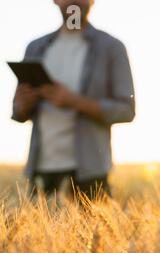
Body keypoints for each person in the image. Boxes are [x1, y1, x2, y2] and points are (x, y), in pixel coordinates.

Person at [12, 0, 135, 200]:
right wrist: (23, 104)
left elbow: (126, 110)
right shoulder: (35, 48)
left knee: (92, 231)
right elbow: (17, 111)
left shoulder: (111, 47)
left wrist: (74, 101)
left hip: (90, 172)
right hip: (41, 169)